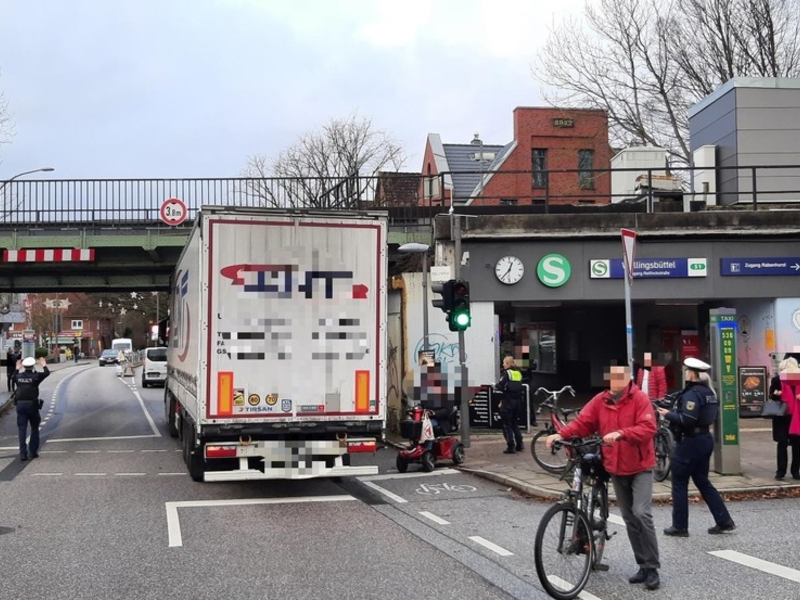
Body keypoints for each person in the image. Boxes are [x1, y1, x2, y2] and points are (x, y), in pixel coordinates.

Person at [546, 364, 661, 591]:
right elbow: (583, 422)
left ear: (628, 379)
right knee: (629, 517)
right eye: (612, 378)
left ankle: (653, 567)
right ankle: (642, 565)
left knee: (641, 513)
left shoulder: (639, 399)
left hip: (640, 466)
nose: (615, 382)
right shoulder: (601, 400)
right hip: (616, 467)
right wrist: (560, 434)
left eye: (620, 378)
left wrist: (622, 433)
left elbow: (648, 427)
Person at [657, 357, 735, 536]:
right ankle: (724, 520)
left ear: (692, 374)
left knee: (679, 483)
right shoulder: (709, 392)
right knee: (702, 481)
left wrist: (668, 414)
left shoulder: (693, 393)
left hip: (690, 443)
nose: (685, 373)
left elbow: (688, 419)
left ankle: (679, 526)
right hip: (704, 439)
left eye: (686, 370)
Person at [13, 356, 50, 461]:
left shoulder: (18, 376)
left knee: (22, 429)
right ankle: (32, 452)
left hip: (20, 405)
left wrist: (17, 368)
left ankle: (22, 454)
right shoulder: (36, 376)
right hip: (32, 405)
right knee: (34, 427)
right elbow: (46, 373)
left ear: (23, 366)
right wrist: (44, 364)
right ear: (33, 366)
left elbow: (13, 376)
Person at [770, 357, 800, 480]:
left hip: (796, 416)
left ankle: (795, 471)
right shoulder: (777, 380)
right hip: (782, 416)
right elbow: (771, 395)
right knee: (782, 444)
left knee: (797, 445)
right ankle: (780, 471)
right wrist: (776, 394)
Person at [495, 356, 524, 454]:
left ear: (508, 364)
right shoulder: (518, 373)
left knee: (507, 425)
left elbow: (502, 386)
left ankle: (511, 446)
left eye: (504, 363)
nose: (503, 364)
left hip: (508, 402)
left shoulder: (507, 373)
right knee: (515, 423)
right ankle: (520, 444)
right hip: (517, 402)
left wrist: (495, 386)